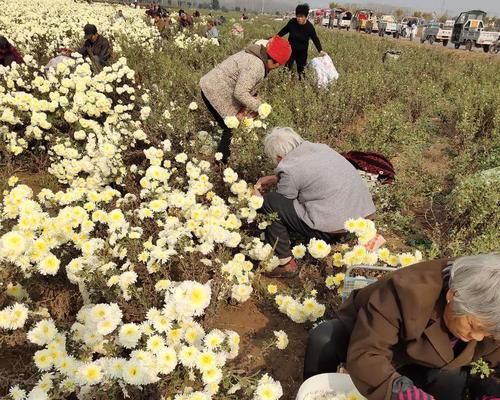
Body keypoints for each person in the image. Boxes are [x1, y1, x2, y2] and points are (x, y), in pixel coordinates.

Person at [304, 254, 500, 400]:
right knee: (324, 338)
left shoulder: (492, 310)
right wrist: (405, 393)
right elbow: (367, 354)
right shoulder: (408, 292)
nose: (479, 337)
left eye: (488, 331)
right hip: (371, 336)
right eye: (473, 325)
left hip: (427, 359)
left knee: (452, 379)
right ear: (452, 295)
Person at [253, 128, 375, 277]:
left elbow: (283, 200)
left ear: (279, 156)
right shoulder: (321, 148)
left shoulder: (288, 168)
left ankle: (285, 264)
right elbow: (312, 175)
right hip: (364, 217)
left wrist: (258, 200)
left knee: (270, 201)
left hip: (333, 229)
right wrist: (276, 178)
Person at [199, 36, 292, 165]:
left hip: (216, 86)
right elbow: (240, 92)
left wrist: (254, 98)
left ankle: (222, 161)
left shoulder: (257, 55)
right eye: (280, 65)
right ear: (277, 62)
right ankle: (220, 166)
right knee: (231, 127)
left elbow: (246, 83)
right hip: (214, 90)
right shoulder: (257, 65)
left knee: (235, 121)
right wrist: (260, 107)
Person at [277, 3, 327, 76]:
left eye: (301, 17)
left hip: (302, 53)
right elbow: (283, 31)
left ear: (306, 17)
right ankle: (283, 81)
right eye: (298, 16)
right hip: (290, 50)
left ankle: (301, 83)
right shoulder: (292, 23)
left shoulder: (309, 27)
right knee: (286, 69)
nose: (299, 18)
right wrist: (276, 37)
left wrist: (320, 50)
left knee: (301, 71)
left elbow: (315, 39)